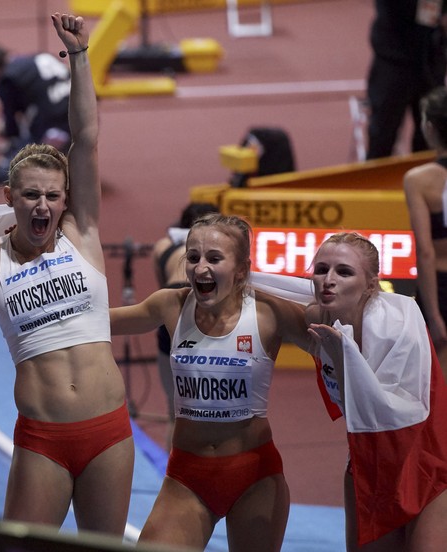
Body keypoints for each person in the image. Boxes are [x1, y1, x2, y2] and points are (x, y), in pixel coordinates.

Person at [0, 14, 135, 535]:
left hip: (109, 432)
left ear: (65, 200)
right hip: (45, 441)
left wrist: (80, 57)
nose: (42, 205)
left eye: (52, 196)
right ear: (9, 199)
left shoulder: (82, 233)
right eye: (30, 195)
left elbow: (87, 136)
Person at [110, 213, 310, 551]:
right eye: (193, 257)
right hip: (186, 478)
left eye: (214, 258)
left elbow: (336, 345)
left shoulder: (269, 314)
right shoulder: (171, 305)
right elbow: (94, 322)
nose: (200, 267)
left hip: (255, 478)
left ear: (242, 269)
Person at [306, 232, 447, 551]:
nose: (328, 280)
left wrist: (344, 358)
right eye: (320, 269)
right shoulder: (318, 321)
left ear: (371, 284)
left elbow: (389, 412)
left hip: (429, 465)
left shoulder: (398, 327)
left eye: (344, 272)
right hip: (369, 464)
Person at [151, 202, 218, 445]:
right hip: (204, 308)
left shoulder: (163, 246)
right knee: (208, 410)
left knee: (175, 413)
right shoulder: (222, 252)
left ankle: (171, 478)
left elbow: (163, 284)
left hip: (170, 309)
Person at [365, 0, 447, 159]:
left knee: (433, 136)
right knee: (382, 135)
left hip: (431, 58)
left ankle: (430, 180)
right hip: (393, 59)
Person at [403, 86, 447, 377]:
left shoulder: (419, 180)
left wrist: (434, 316)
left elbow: (426, 251)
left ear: (429, 127)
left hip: (441, 289)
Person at [0, 40, 71, 154]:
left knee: (21, 156)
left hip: (56, 124)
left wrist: (6, 132)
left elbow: (12, 124)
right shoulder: (40, 56)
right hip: (82, 112)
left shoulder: (7, 80)